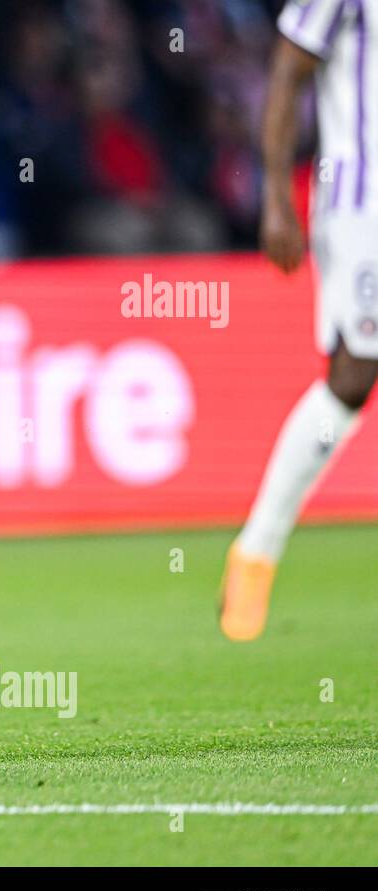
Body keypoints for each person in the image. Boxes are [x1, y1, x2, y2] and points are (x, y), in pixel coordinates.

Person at [220, 1, 377, 641]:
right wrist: (278, 198)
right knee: (355, 371)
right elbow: (289, 69)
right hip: (361, 205)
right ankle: (257, 552)